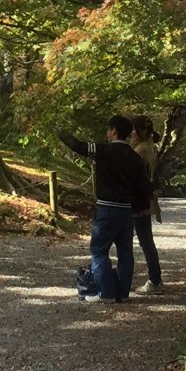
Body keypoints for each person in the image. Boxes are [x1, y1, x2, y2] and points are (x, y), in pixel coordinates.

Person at [60, 115, 152, 303]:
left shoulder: (104, 151)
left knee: (99, 250)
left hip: (107, 208)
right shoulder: (135, 158)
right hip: (126, 211)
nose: (107, 133)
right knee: (125, 252)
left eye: (109, 129)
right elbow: (143, 187)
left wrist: (60, 133)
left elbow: (78, 146)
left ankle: (107, 292)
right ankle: (123, 292)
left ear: (114, 131)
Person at [128, 115, 165, 295]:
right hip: (143, 197)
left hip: (139, 199)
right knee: (146, 240)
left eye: (134, 130)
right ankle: (155, 278)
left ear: (141, 130)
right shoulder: (149, 147)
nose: (132, 134)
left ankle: (155, 280)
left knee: (146, 241)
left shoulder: (142, 150)